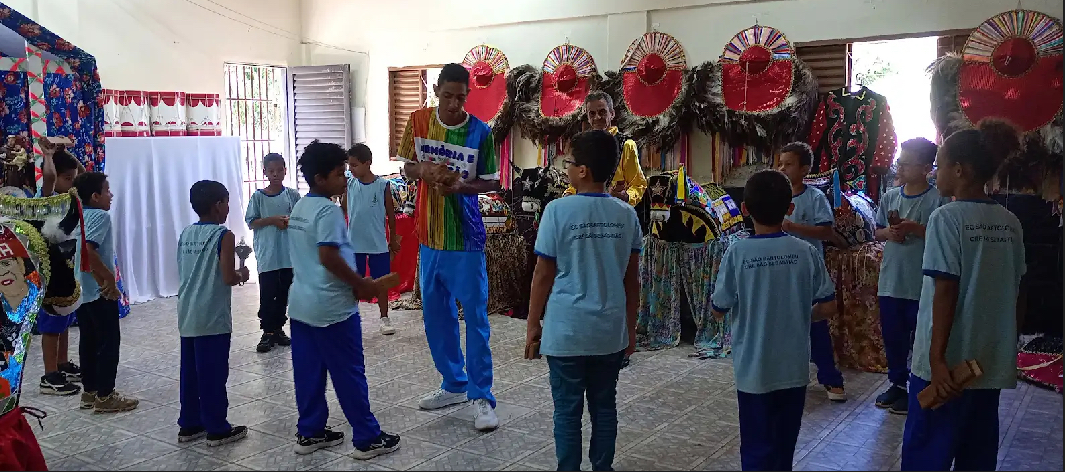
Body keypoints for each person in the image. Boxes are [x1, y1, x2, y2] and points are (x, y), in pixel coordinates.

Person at [902, 120, 1027, 471]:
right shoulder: (1010, 221)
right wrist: (1007, 348)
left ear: (960, 170)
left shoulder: (947, 218)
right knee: (977, 453)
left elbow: (946, 288)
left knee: (927, 453)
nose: (935, 174)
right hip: (987, 365)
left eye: (939, 165)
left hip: (944, 369)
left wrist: (938, 359)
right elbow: (1019, 290)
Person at [525, 130, 641, 471]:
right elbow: (632, 281)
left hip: (566, 333)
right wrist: (630, 329)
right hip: (609, 334)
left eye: (569, 162)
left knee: (567, 411)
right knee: (604, 408)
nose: (566, 167)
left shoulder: (557, 211)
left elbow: (543, 275)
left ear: (584, 171)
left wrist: (533, 325)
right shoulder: (627, 215)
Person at [711, 169, 836, 471]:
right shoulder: (805, 252)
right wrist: (802, 315)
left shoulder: (737, 253)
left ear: (744, 209)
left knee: (755, 445)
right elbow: (829, 306)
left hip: (754, 371)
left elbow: (719, 307)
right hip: (793, 369)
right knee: (784, 446)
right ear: (790, 208)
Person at [397, 63, 500, 430]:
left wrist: (460, 186)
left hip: (465, 239)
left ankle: (482, 396)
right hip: (429, 237)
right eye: (448, 95)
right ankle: (453, 383)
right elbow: (406, 167)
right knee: (436, 317)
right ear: (436, 90)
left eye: (461, 97)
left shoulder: (480, 132)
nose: (455, 103)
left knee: (474, 318)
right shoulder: (419, 121)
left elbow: (489, 182)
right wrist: (423, 171)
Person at [286, 140, 400, 459]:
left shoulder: (300, 207)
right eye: (339, 173)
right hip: (333, 310)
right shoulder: (329, 211)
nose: (344, 178)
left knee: (308, 373)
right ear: (321, 178)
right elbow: (328, 255)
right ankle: (367, 437)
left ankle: (310, 432)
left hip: (302, 307)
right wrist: (361, 283)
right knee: (349, 373)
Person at [562, 90, 646, 370]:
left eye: (602, 112)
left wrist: (626, 198)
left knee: (619, 283)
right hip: (586, 221)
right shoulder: (582, 146)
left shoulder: (627, 146)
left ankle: (622, 344)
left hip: (614, 221)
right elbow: (574, 183)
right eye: (592, 113)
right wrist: (564, 203)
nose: (597, 117)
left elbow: (639, 185)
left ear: (612, 113)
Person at [872, 138, 947, 415]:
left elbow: (942, 238)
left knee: (919, 337)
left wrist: (917, 229)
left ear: (926, 168)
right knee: (893, 336)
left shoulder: (938, 199)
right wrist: (889, 234)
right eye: (899, 162)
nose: (899, 167)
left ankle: (917, 386)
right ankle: (897, 384)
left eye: (906, 163)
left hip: (920, 283)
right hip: (891, 280)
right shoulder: (891, 196)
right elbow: (877, 231)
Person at [176, 180, 250, 446]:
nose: (228, 207)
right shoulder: (223, 235)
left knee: (191, 373)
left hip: (187, 314)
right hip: (212, 316)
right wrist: (244, 273)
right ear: (218, 205)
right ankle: (217, 427)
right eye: (227, 201)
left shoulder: (185, 233)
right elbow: (228, 277)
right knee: (214, 374)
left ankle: (189, 424)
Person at [776, 142, 847, 402]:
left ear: (805, 169)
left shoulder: (814, 197)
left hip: (807, 270)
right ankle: (785, 378)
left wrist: (792, 226)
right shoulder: (775, 195)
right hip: (781, 271)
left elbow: (826, 231)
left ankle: (830, 378)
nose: (782, 168)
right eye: (780, 163)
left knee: (814, 323)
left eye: (789, 164)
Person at [73, 172, 138, 413]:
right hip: (100, 290)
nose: (111, 195)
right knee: (109, 343)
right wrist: (110, 280)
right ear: (95, 196)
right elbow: (90, 251)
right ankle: (106, 395)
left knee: (88, 341)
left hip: (83, 289)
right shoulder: (100, 216)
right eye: (107, 190)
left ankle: (89, 392)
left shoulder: (80, 215)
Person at [36, 144, 85, 396]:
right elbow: (51, 177)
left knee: (65, 317)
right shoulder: (44, 197)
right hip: (50, 270)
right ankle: (49, 375)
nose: (72, 182)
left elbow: (84, 174)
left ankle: (62, 363)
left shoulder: (70, 195)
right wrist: (47, 155)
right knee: (52, 322)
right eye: (68, 179)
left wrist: (64, 152)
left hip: (66, 266)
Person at [245, 152, 301, 354]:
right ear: (265, 173)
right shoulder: (258, 197)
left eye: (279, 170)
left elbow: (301, 220)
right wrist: (272, 220)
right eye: (271, 171)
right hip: (268, 255)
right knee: (268, 293)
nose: (276, 174)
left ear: (285, 171)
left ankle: (278, 327)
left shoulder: (292, 195)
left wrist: (289, 222)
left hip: (288, 255)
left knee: (284, 292)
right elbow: (251, 222)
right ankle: (267, 331)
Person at [343, 144, 400, 335]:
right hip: (354, 244)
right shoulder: (349, 184)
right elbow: (343, 208)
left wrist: (393, 239)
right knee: (354, 282)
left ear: (367, 164)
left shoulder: (382, 185)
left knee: (381, 282)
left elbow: (391, 216)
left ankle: (385, 318)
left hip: (378, 244)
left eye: (354, 165)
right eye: (349, 165)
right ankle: (351, 319)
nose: (350, 169)